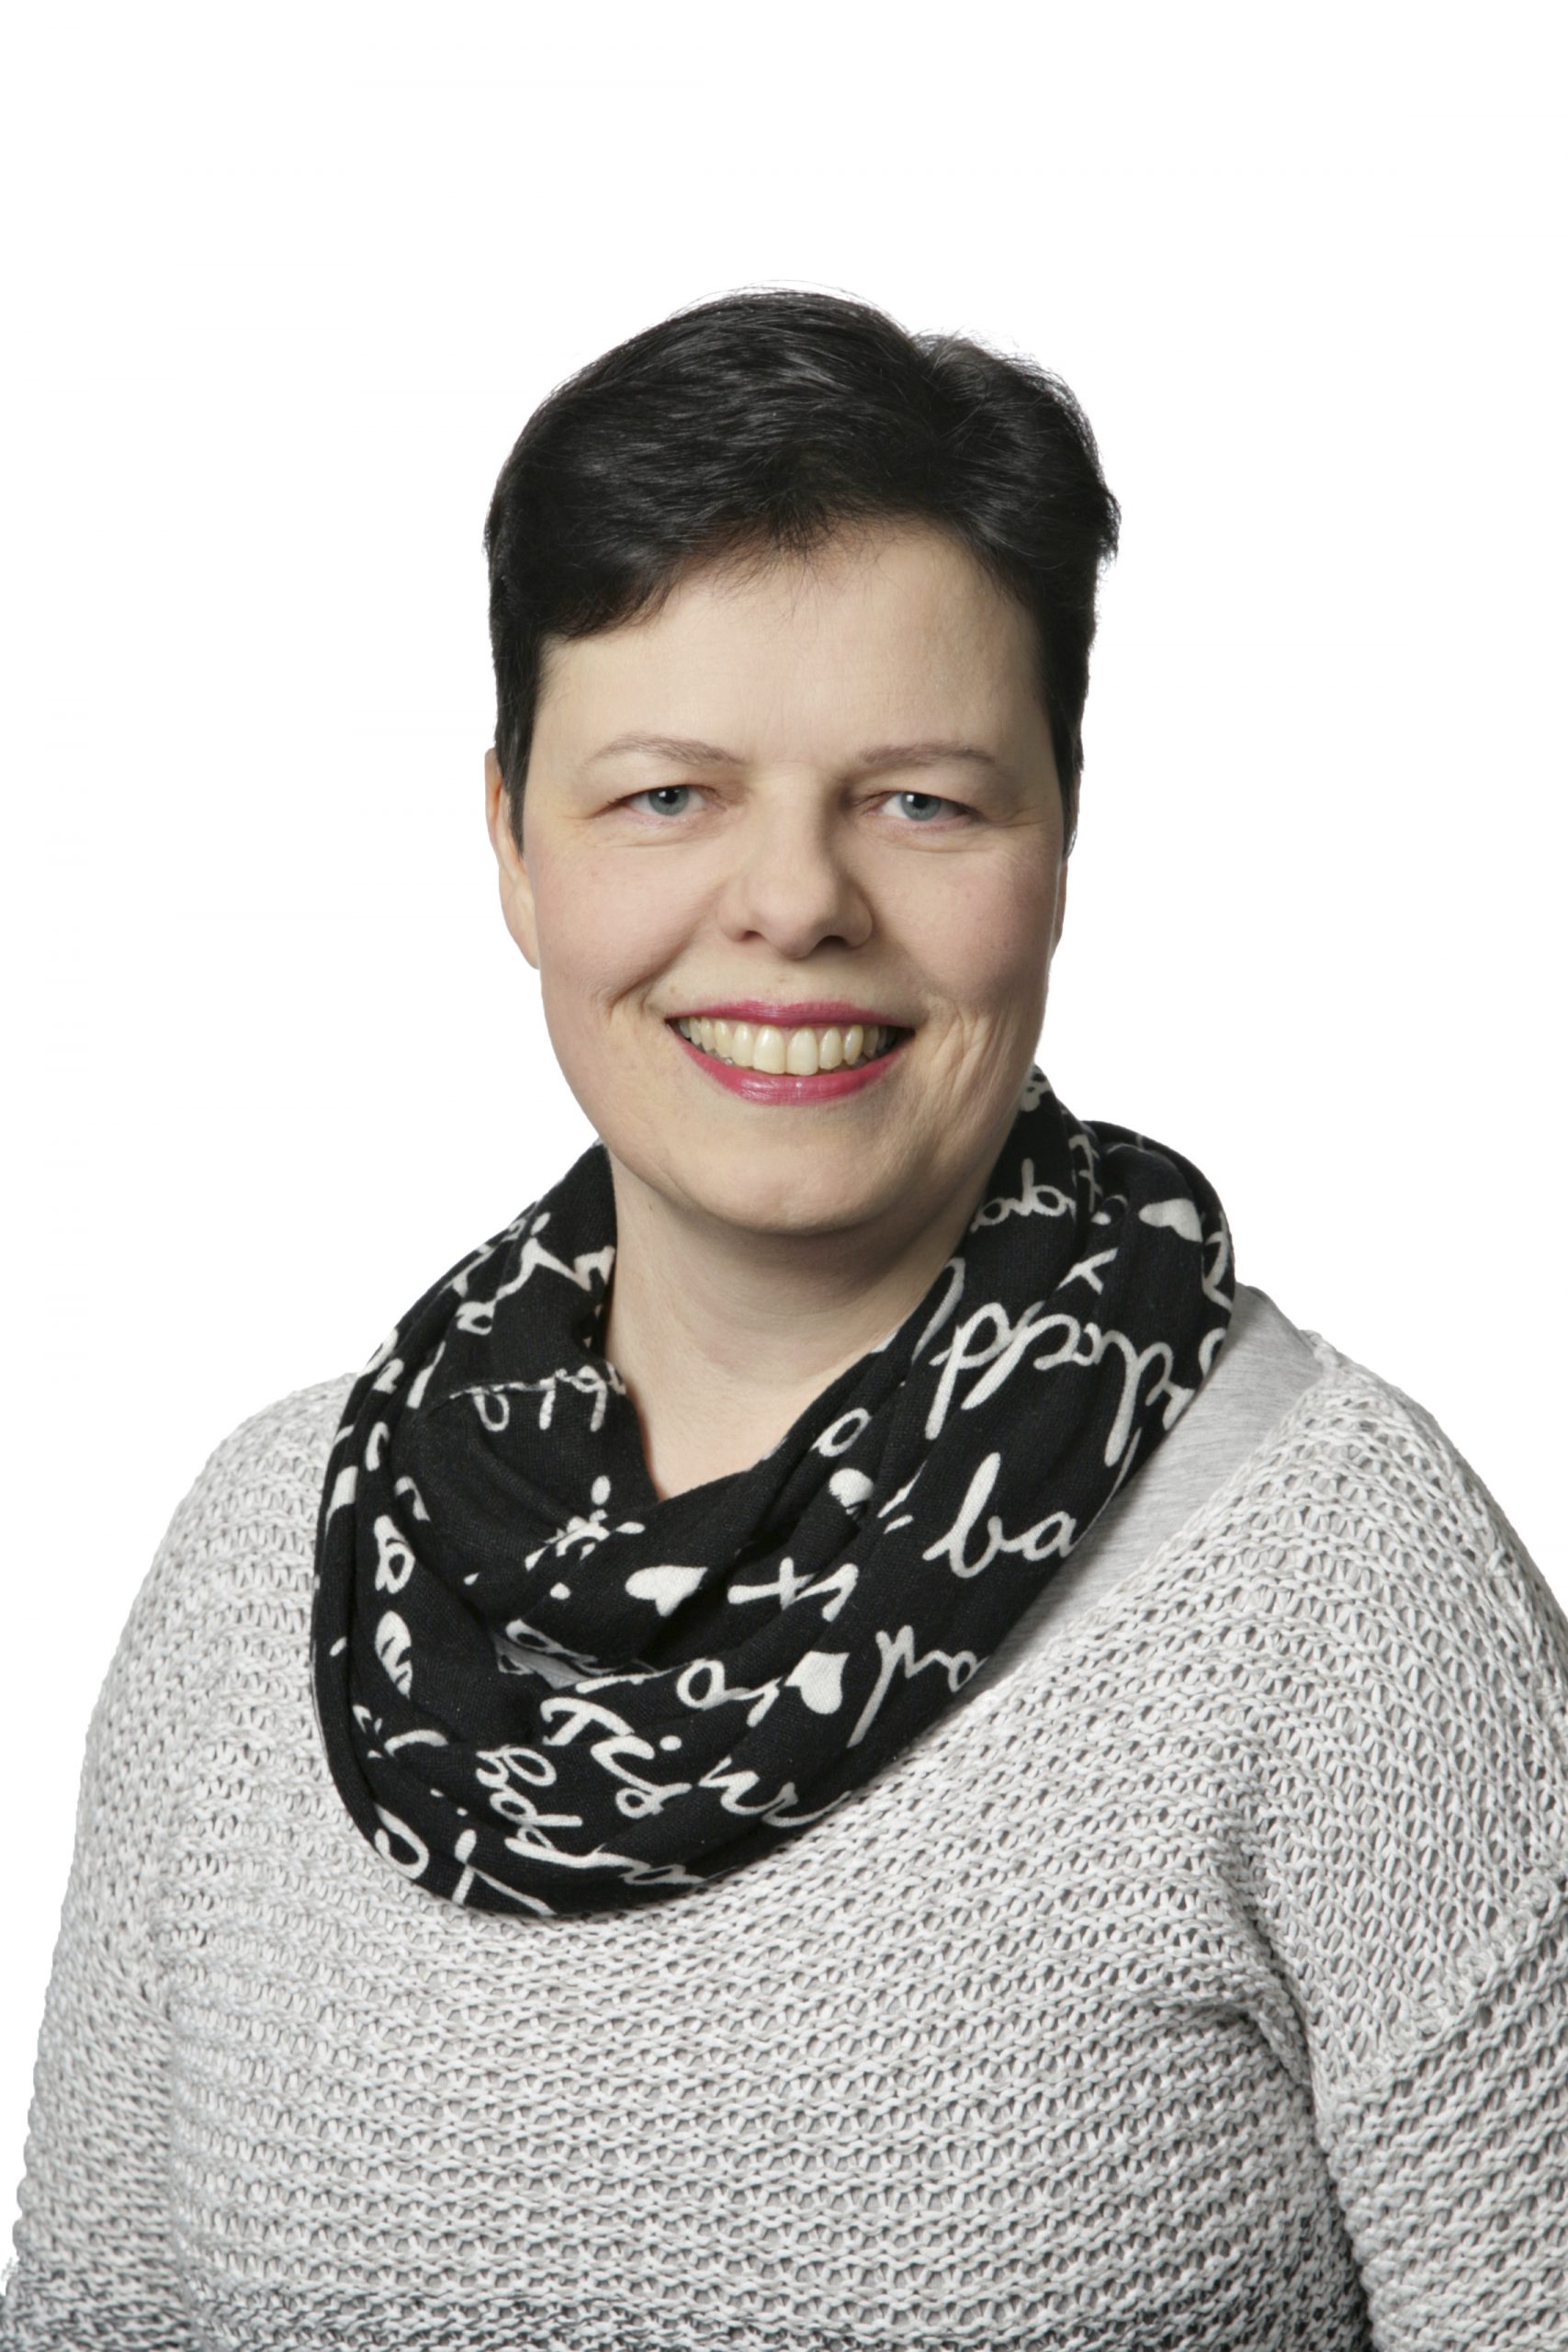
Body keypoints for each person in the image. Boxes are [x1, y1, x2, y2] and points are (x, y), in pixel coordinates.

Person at [2, 287, 1563, 2352]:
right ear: (511, 843)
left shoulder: (1343, 1582)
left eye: (920, 800)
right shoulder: (259, 1557)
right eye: (667, 795)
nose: (794, 901)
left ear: (1061, 837)